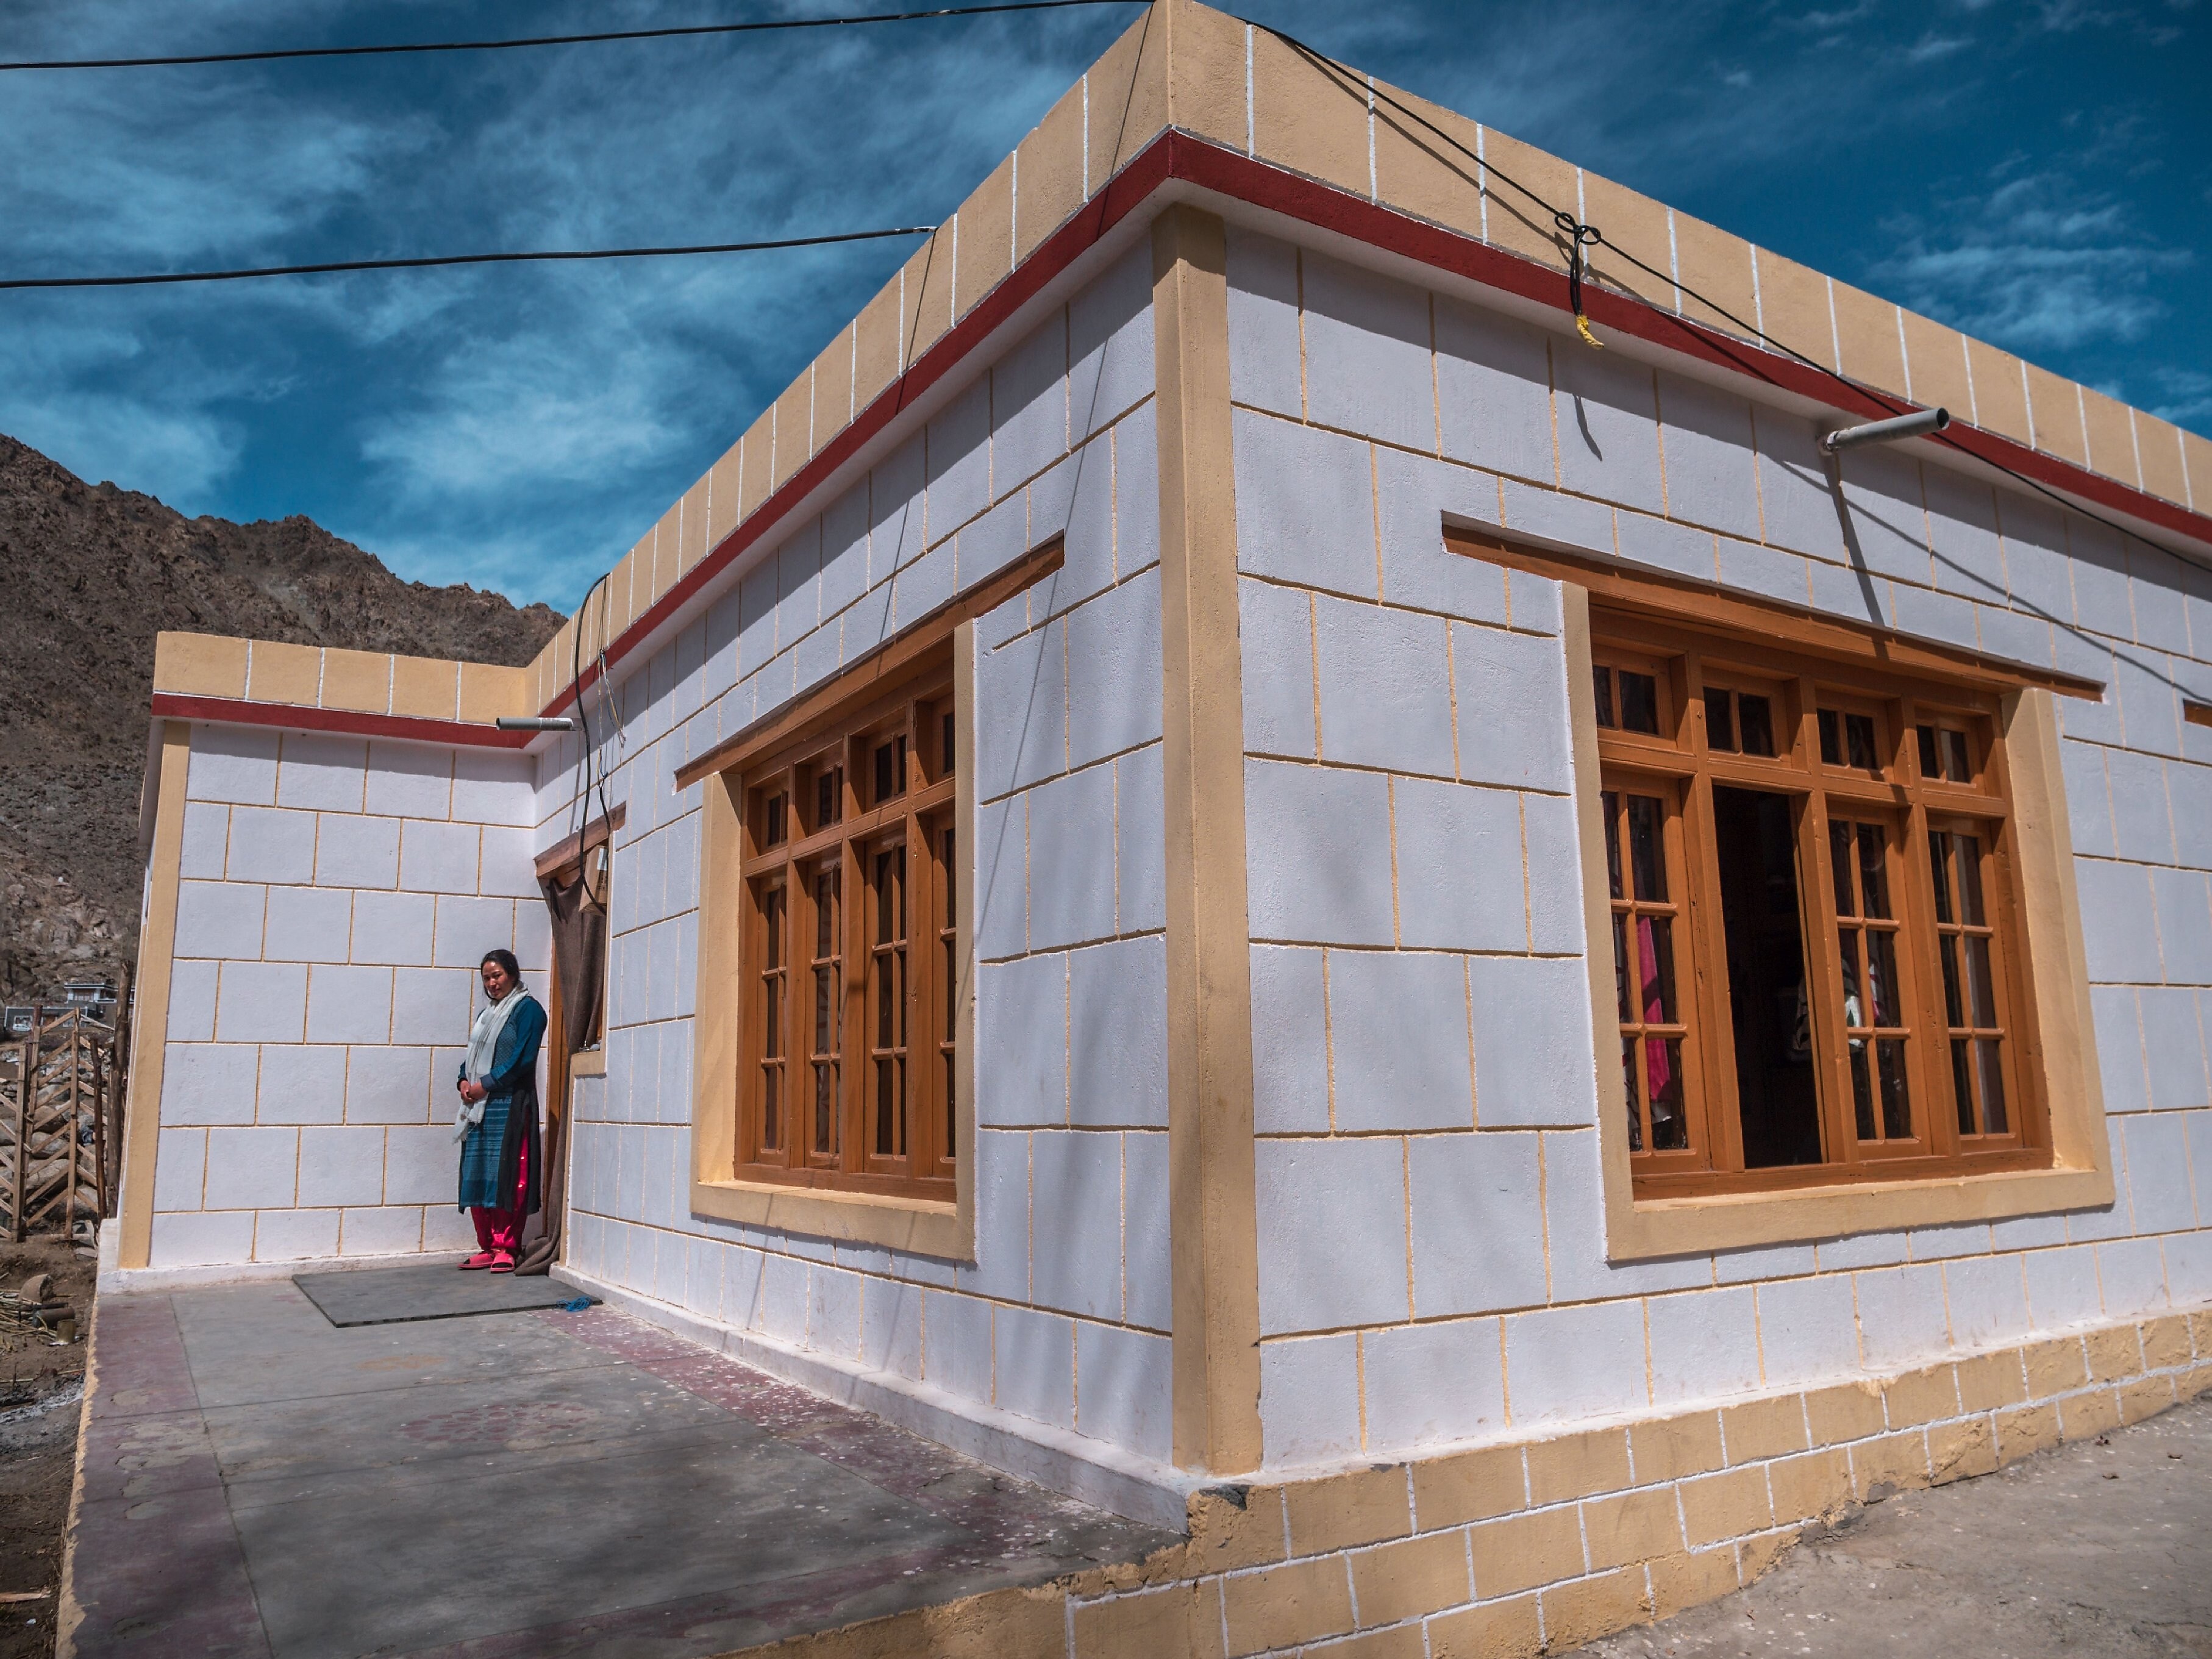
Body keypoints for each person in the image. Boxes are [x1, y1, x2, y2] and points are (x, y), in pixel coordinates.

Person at [454, 949, 547, 1273]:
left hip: (509, 1106)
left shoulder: (529, 1010)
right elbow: (472, 1057)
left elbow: (522, 1060)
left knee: (507, 1175)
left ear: (513, 974)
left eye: (497, 976)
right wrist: (463, 1080)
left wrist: (487, 1084)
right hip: (478, 1108)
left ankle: (507, 1246)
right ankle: (488, 1246)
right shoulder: (487, 1015)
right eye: (487, 978)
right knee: (479, 1173)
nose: (492, 983)